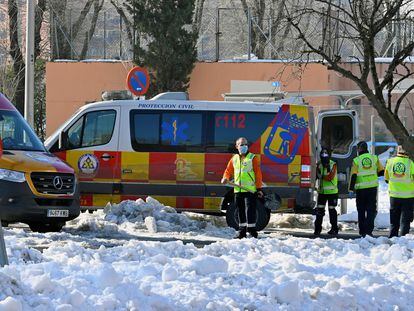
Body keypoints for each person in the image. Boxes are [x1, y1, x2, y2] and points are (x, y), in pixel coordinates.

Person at [221, 137, 264, 239]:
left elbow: (258, 174)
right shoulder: (234, 159)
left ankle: (252, 231)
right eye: (241, 144)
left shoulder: (252, 158)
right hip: (238, 190)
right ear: (236, 146)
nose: (244, 146)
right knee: (240, 210)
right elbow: (228, 171)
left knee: (250, 210)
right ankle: (242, 232)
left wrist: (258, 189)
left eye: (245, 144)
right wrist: (225, 178)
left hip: (250, 190)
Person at [349, 141, 384, 237]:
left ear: (359, 149)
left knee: (361, 210)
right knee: (371, 210)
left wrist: (351, 189)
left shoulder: (356, 160)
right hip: (372, 189)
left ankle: (362, 231)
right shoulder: (374, 158)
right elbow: (381, 172)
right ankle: (369, 231)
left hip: (361, 189)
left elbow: (353, 176)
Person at [384, 145, 414, 238]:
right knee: (405, 220)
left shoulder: (390, 162)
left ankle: (393, 237)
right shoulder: (410, 163)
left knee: (394, 219)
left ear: (398, 151)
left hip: (394, 195)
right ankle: (403, 238)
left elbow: (386, 178)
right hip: (408, 196)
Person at [314, 147, 339, 236]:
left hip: (332, 192)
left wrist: (320, 176)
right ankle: (317, 230)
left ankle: (334, 229)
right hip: (322, 192)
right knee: (319, 211)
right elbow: (315, 176)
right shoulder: (319, 165)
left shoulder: (333, 164)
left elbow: (330, 177)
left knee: (332, 211)